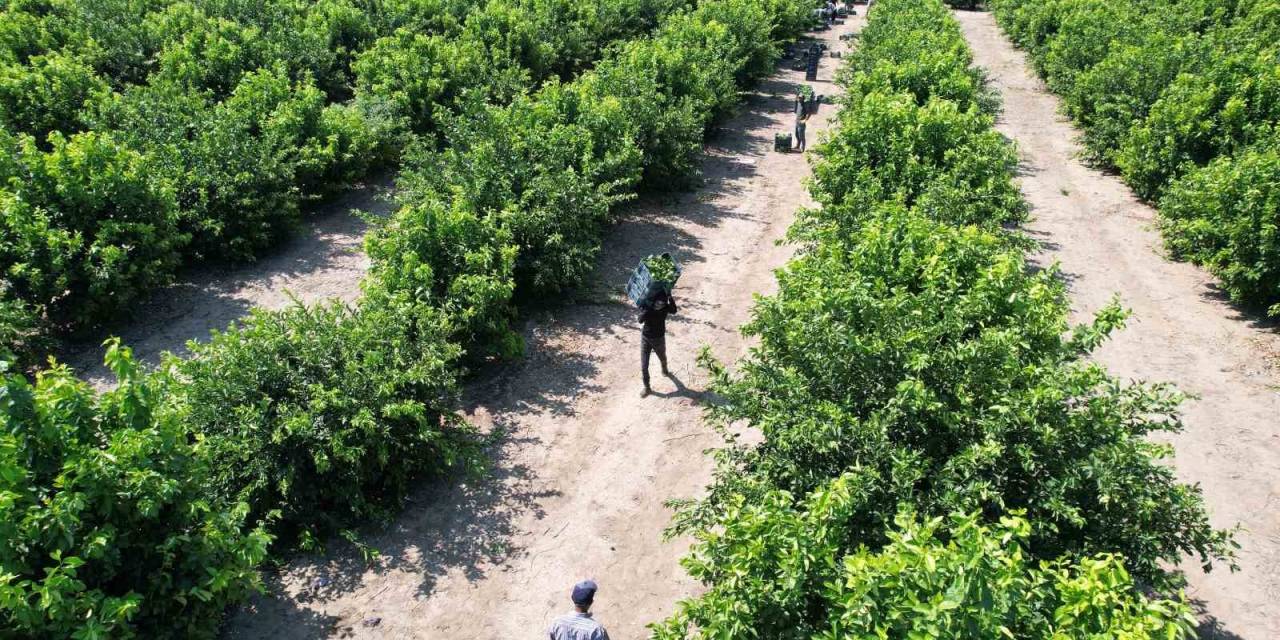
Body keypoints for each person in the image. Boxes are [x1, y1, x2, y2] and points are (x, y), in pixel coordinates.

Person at [639, 293, 677, 397]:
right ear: (654, 301)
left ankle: (664, 369)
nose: (658, 305)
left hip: (659, 339)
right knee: (644, 366)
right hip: (645, 339)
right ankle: (647, 387)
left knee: (662, 357)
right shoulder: (649, 308)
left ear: (664, 304)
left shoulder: (665, 308)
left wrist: (670, 297)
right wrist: (645, 309)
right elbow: (640, 320)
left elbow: (674, 310)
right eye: (657, 303)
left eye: (661, 303)